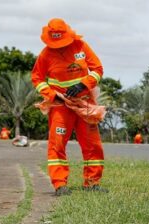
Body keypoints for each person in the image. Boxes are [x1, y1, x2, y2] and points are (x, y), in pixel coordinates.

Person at [31, 18, 107, 196]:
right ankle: (60, 184)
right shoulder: (45, 54)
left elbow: (97, 69)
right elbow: (37, 78)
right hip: (60, 106)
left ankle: (92, 183)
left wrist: (83, 84)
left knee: (92, 144)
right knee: (57, 145)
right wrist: (52, 94)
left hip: (84, 103)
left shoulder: (81, 46)